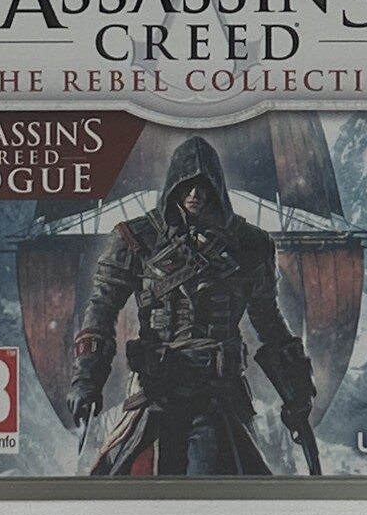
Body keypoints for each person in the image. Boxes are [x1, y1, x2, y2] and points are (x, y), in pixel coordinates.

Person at [67, 137, 316, 477]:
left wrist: (297, 393)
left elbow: (269, 322)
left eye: (204, 185)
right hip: (154, 393)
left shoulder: (249, 244)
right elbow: (103, 307)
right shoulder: (135, 239)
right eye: (187, 184)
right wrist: (87, 378)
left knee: (222, 480)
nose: (196, 193)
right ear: (174, 185)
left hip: (219, 394)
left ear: (216, 187)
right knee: (126, 478)